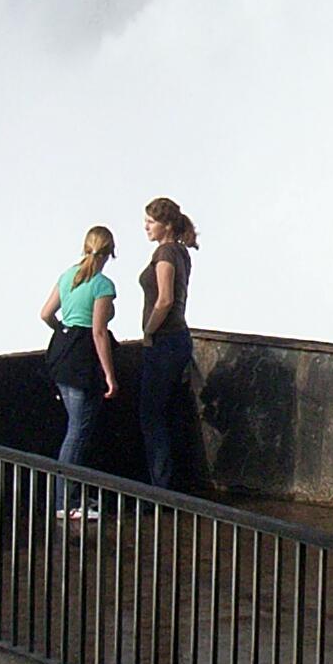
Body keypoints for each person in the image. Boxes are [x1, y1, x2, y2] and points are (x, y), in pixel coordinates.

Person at [39, 225, 119, 512]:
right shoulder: (102, 285)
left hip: (62, 353)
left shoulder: (67, 276)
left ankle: (70, 496)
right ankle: (65, 501)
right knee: (78, 432)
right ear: (110, 252)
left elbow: (46, 313)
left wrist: (63, 329)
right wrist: (110, 375)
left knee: (75, 428)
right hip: (84, 359)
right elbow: (99, 332)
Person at [137, 197, 198, 489]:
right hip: (179, 339)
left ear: (167, 225)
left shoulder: (164, 254)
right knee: (169, 412)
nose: (146, 227)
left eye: (151, 222)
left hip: (164, 342)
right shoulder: (181, 252)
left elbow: (164, 300)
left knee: (151, 414)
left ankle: (160, 487)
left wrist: (148, 332)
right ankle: (170, 482)